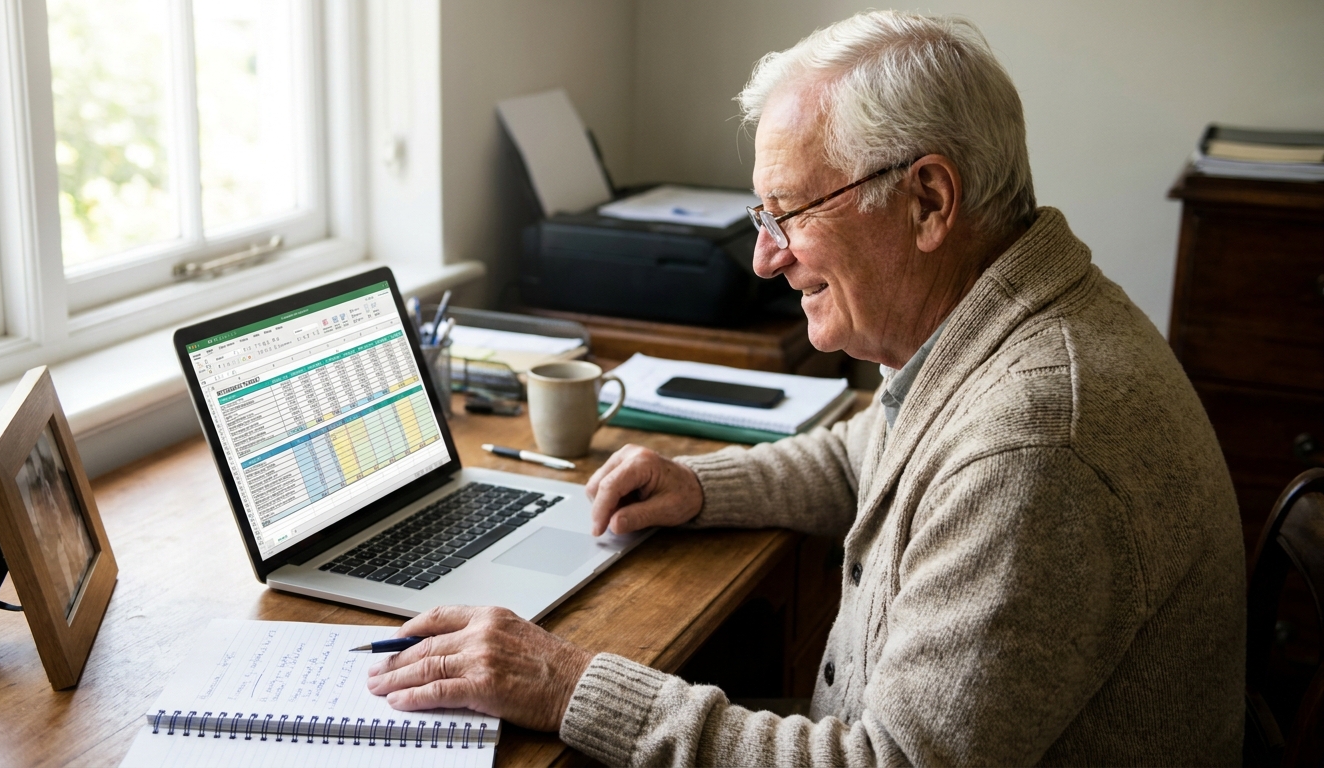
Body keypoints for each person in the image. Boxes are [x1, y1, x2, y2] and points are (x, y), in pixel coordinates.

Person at [365, 10, 1246, 766]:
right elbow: (882, 446)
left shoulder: (1036, 444)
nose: (764, 255)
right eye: (763, 215)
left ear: (929, 201)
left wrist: (568, 685)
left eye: (789, 212)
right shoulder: (1004, 336)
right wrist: (704, 483)